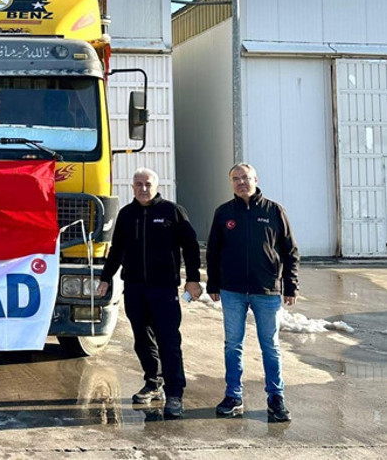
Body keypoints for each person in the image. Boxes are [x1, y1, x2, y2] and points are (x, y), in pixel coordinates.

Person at [97, 167, 201, 419]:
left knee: (169, 341)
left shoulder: (172, 212)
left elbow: (190, 247)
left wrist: (193, 279)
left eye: (148, 184)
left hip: (164, 289)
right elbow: (117, 249)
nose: (143, 188)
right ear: (132, 187)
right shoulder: (127, 214)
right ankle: (153, 383)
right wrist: (105, 278)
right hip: (134, 288)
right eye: (139, 184)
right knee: (142, 340)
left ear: (156, 186)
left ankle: (175, 393)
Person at [207, 163, 299, 423]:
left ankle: (276, 398)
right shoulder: (224, 213)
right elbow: (213, 252)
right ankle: (233, 396)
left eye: (245, 178)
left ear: (256, 179)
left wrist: (290, 285)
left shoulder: (273, 211)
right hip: (232, 291)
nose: (241, 183)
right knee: (232, 345)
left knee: (270, 346)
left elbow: (290, 251)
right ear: (231, 183)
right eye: (235, 179)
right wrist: (213, 284)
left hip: (266, 291)